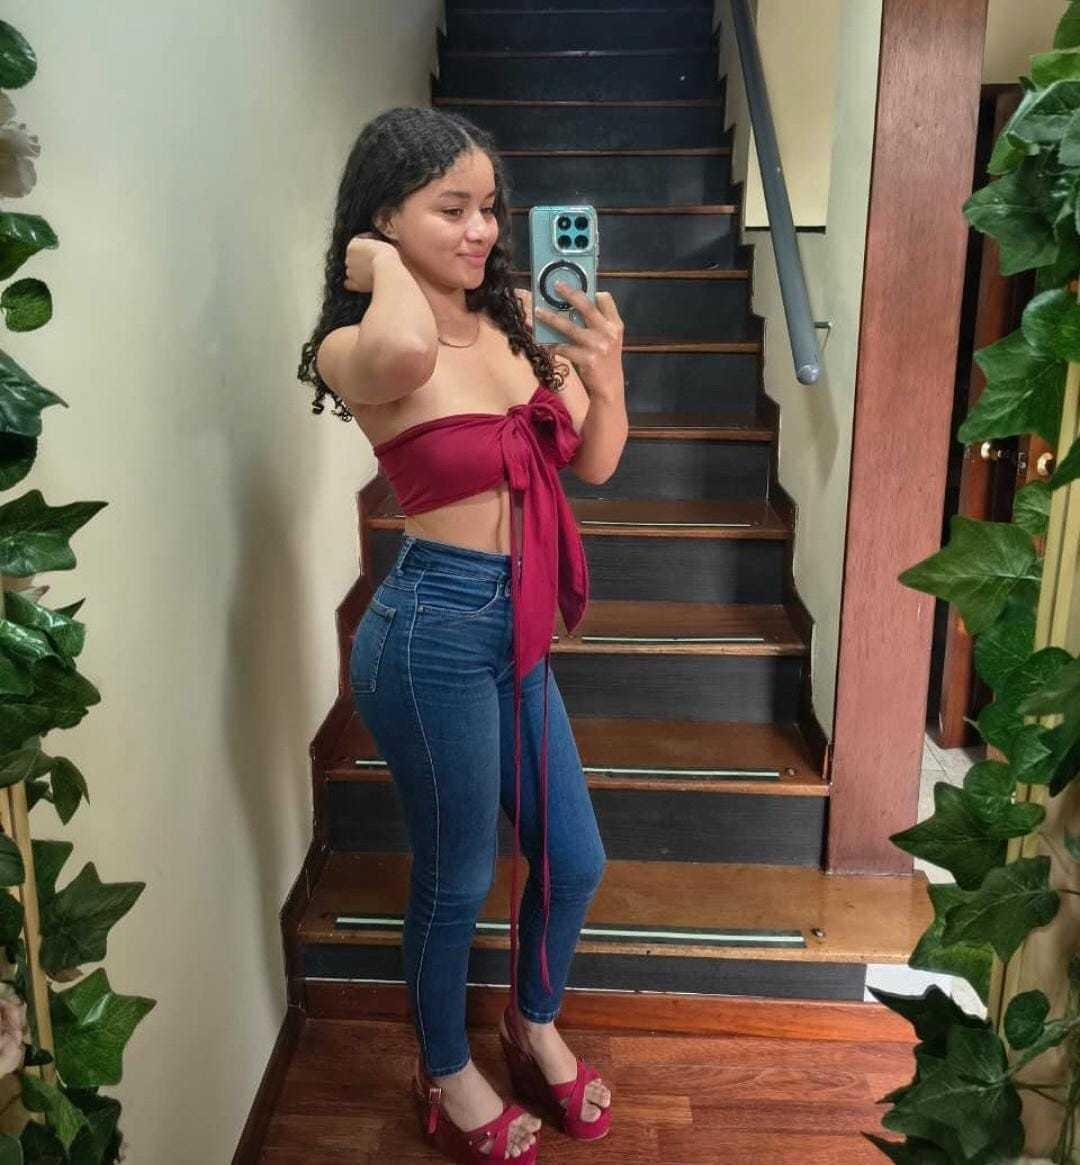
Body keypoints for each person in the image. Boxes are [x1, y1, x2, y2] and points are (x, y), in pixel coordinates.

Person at [297, 106, 626, 1163]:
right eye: (452, 208)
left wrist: (608, 376)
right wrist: (377, 266)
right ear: (385, 217)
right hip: (430, 629)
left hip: (517, 628)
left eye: (489, 207)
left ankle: (530, 1022)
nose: (483, 229)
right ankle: (444, 1071)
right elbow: (402, 347)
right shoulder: (353, 345)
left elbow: (591, 460)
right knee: (457, 874)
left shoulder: (516, 320)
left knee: (574, 858)